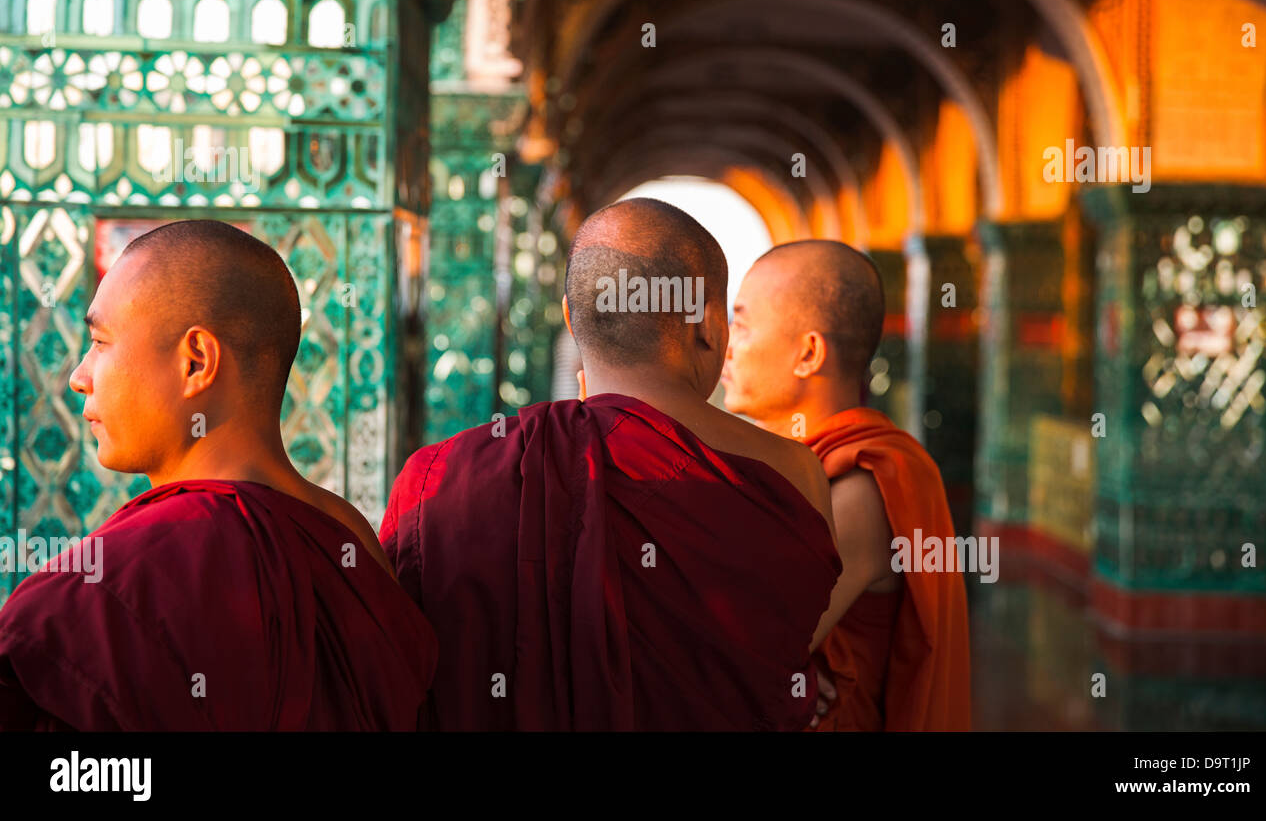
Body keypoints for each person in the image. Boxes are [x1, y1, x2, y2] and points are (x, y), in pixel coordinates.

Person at [382, 198, 840, 730]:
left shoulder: (440, 476)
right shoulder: (795, 475)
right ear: (711, 326)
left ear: (572, 318)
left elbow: (405, 667)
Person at [0, 220, 436, 730]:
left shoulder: (135, 564)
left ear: (196, 362)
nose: (79, 376)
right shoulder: (351, 539)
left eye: (99, 342)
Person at [722, 239, 970, 730]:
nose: (726, 344)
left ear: (808, 353)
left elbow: (740, 653)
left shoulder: (861, 486)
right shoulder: (788, 462)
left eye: (743, 326)